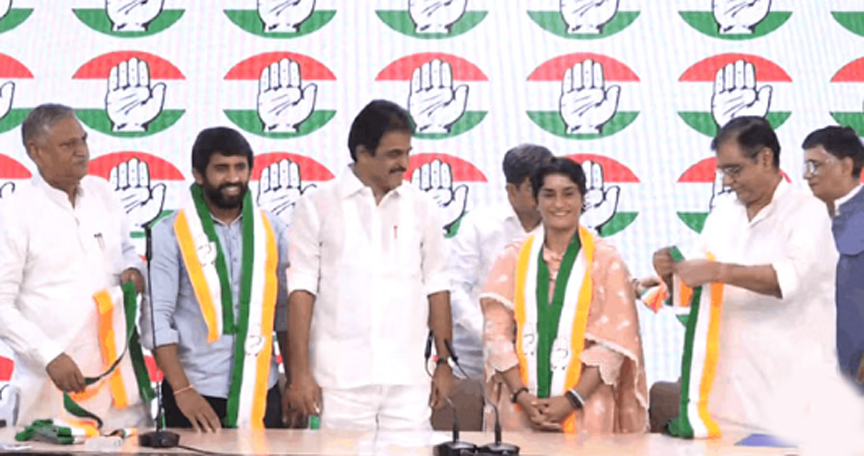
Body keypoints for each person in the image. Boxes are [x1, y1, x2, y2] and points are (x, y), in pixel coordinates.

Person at [651, 117, 863, 448]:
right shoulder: (723, 213)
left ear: (765, 158)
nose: (727, 181)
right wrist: (671, 272)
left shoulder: (808, 212)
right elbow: (696, 286)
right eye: (722, 172)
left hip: (789, 399)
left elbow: (790, 281)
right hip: (723, 398)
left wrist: (719, 272)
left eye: (734, 170)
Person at [285, 100, 454, 431]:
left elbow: (437, 285)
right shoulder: (317, 205)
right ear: (363, 153)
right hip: (339, 380)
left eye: (407, 153)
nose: (404, 164)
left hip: (408, 378)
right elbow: (301, 291)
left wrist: (444, 363)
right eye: (393, 154)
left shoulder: (423, 207)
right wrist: (300, 374)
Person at [0, 104, 150, 428]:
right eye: (68, 145)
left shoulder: (103, 194)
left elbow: (127, 251)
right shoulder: (14, 212)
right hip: (50, 392)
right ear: (35, 152)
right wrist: (48, 355)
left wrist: (133, 270)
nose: (81, 151)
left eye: (83, 140)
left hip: (118, 390)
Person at [480, 156, 648, 434]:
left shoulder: (605, 260)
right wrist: (522, 395)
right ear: (536, 200)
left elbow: (614, 343)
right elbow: (495, 333)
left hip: (587, 406)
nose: (559, 204)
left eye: (568, 194)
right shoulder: (513, 257)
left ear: (583, 199)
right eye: (549, 195)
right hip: (520, 405)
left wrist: (571, 400)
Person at [144, 127, 291, 431]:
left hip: (262, 389)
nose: (233, 178)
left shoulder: (272, 229)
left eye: (240, 167)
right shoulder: (169, 232)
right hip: (195, 393)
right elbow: (157, 319)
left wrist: (293, 380)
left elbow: (284, 314)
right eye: (221, 168)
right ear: (199, 175)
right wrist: (183, 391)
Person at [435, 144, 552, 431]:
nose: (544, 195)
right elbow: (456, 288)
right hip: (476, 359)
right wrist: (491, 336)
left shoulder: (562, 227)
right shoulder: (480, 224)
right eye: (534, 187)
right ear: (512, 190)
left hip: (542, 362)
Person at [802, 125, 864, 393]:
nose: (807, 175)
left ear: (846, 166)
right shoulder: (806, 219)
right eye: (805, 166)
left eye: (815, 166)